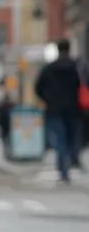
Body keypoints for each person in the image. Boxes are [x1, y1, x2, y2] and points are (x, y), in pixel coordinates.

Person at [34, 39, 87, 183]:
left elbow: (38, 88)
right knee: (72, 139)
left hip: (55, 110)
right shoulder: (76, 67)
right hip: (74, 109)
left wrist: (48, 100)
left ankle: (64, 171)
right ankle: (72, 161)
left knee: (60, 141)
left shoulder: (49, 68)